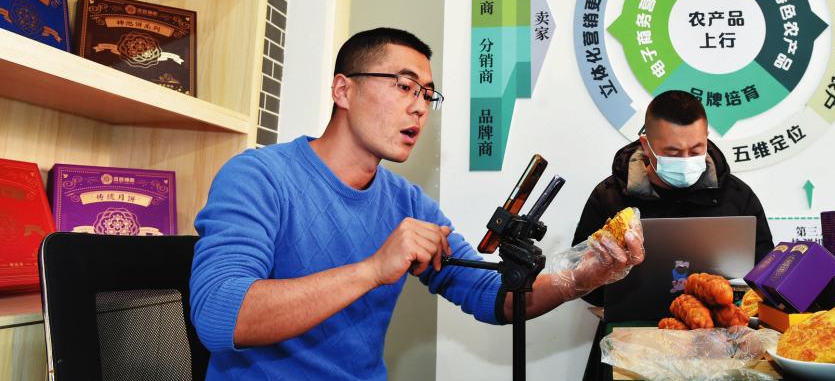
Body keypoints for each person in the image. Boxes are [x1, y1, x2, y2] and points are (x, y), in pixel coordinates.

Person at [189, 27, 644, 380]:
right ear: (343, 90)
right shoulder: (259, 177)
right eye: (404, 86)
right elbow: (217, 316)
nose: (420, 107)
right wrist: (373, 269)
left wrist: (582, 277)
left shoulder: (407, 203)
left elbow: (493, 297)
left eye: (428, 94)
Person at [572, 89, 773, 380]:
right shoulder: (610, 198)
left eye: (696, 149)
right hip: (631, 341)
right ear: (646, 145)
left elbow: (765, 277)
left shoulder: (737, 197)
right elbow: (580, 284)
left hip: (718, 346)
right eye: (673, 153)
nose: (686, 160)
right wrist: (605, 268)